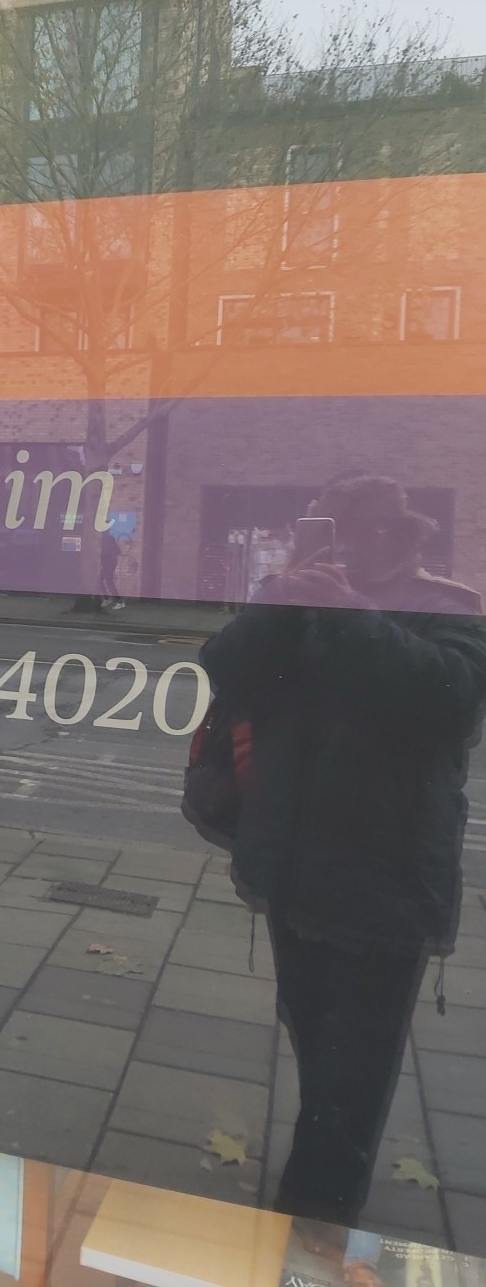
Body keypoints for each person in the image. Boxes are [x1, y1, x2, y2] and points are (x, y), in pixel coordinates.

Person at [200, 475, 486, 1233]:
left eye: (343, 531)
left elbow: (453, 701)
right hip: (295, 863)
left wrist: (353, 614)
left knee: (355, 1065)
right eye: (317, 530)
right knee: (313, 1029)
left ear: (391, 536)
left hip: (386, 871)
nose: (330, 546)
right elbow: (225, 667)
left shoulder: (446, 606)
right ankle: (321, 1185)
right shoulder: (298, 598)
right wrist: (282, 600)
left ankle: (316, 1217)